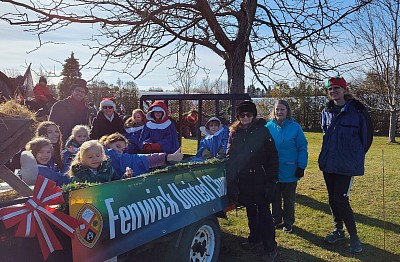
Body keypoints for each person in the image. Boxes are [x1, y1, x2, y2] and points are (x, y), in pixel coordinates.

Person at [318, 76, 373, 253]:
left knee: (341, 199)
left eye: (336, 88)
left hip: (346, 165)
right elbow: (325, 135)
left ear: (344, 90)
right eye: (331, 89)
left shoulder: (357, 111)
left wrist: (353, 156)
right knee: (332, 198)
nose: (333, 91)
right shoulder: (326, 111)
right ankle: (338, 230)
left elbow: (367, 138)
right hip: (329, 163)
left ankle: (354, 236)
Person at [226, 100, 279, 262]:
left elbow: (272, 156)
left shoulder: (263, 131)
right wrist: (232, 180)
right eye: (242, 115)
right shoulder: (235, 133)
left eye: (248, 114)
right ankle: (254, 238)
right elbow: (230, 156)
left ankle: (270, 247)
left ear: (253, 115)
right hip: (244, 178)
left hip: (261, 177)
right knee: (250, 210)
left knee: (264, 213)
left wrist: (272, 179)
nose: (245, 117)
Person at [266, 100, 308, 234]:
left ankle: (288, 222)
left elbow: (302, 147)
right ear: (274, 111)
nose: (279, 112)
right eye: (277, 109)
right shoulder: (268, 127)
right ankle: (276, 219)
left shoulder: (295, 127)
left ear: (287, 111)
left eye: (282, 109)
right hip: (273, 170)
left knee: (289, 199)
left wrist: (301, 166)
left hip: (290, 170)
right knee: (275, 197)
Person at [100, 132, 183, 178]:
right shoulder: (108, 153)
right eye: (117, 146)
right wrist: (169, 157)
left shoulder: (122, 159)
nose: (119, 151)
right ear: (107, 143)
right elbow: (140, 159)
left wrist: (126, 176)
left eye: (122, 149)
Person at [49, 78, 90, 143]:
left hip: (79, 144)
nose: (79, 93)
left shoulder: (86, 110)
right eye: (77, 91)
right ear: (72, 91)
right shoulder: (59, 105)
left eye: (82, 92)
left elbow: (86, 128)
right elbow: (51, 125)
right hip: (61, 142)